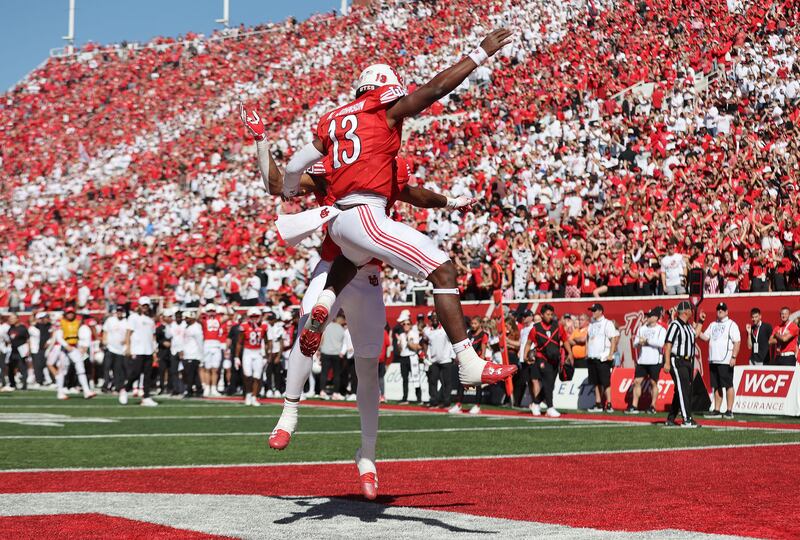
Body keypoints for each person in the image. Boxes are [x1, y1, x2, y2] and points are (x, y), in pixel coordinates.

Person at [240, 110, 474, 501]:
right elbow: (279, 184)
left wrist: (450, 201)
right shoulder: (334, 170)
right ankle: (289, 411)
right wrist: (262, 140)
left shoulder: (379, 169)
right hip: (332, 262)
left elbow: (412, 193)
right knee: (306, 327)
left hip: (366, 276)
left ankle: (367, 456)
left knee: (368, 366)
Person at [290, 29, 517, 389]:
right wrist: (480, 53)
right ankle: (469, 361)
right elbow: (434, 89)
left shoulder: (339, 131)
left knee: (354, 255)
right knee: (443, 270)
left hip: (339, 223)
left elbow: (299, 175)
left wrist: (273, 163)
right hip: (364, 213)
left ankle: (327, 298)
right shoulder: (382, 120)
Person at [663, 301, 703, 428]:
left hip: (688, 361)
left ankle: (671, 418)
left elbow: (695, 334)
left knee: (682, 389)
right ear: (686, 311)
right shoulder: (675, 325)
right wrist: (667, 362)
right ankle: (687, 419)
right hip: (677, 360)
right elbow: (668, 344)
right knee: (683, 388)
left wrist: (701, 322)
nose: (692, 312)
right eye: (690, 309)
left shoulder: (688, 326)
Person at [527, 304, 572, 417]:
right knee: (547, 381)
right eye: (548, 314)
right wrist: (525, 356)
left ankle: (536, 403)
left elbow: (565, 340)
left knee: (550, 384)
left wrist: (570, 353)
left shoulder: (558, 326)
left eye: (552, 314)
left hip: (555, 359)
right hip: (541, 358)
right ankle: (550, 408)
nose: (550, 316)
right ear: (542, 315)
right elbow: (528, 343)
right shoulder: (535, 328)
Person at [698, 302, 741, 418]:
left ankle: (729, 410)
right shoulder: (712, 324)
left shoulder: (732, 324)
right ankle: (717, 410)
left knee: (728, 385)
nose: (720, 311)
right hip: (713, 359)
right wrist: (698, 323)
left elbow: (737, 341)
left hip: (725, 360)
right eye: (718, 309)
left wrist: (734, 357)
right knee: (716, 386)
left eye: (722, 309)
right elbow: (704, 337)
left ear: (727, 311)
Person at [46, 307, 96, 400]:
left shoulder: (78, 322)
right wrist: (66, 346)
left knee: (80, 368)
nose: (70, 314)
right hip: (64, 348)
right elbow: (58, 336)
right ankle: (60, 392)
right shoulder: (61, 322)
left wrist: (81, 346)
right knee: (62, 370)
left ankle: (86, 391)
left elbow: (80, 334)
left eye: (72, 313)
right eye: (68, 313)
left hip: (74, 347)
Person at [628, 309, 666, 414]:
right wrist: (639, 343)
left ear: (656, 318)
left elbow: (661, 343)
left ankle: (653, 405)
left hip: (655, 360)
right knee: (636, 382)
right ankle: (634, 406)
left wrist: (647, 341)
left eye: (650, 316)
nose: (647, 318)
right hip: (642, 360)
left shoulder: (661, 330)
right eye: (647, 316)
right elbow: (635, 343)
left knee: (653, 383)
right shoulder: (641, 329)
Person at [123, 296, 158, 407]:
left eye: (146, 305)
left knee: (147, 374)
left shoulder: (150, 320)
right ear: (139, 306)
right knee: (136, 373)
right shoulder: (133, 318)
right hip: (137, 349)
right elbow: (129, 332)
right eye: (143, 305)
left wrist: (154, 351)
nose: (145, 307)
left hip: (148, 350)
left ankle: (146, 397)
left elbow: (152, 336)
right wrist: (128, 347)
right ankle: (125, 389)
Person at [586, 303, 620, 412]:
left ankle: (609, 403)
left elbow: (613, 338)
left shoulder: (607, 323)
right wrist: (587, 352)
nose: (593, 312)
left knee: (605, 382)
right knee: (595, 382)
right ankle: (598, 403)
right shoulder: (591, 324)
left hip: (603, 357)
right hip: (592, 356)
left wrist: (610, 354)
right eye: (592, 310)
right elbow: (588, 338)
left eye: (595, 310)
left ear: (600, 311)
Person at [237, 307, 267, 406]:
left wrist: (265, 355)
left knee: (257, 376)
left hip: (258, 352)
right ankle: (248, 394)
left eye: (256, 316)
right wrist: (236, 357)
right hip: (247, 352)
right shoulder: (244, 326)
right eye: (252, 316)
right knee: (248, 375)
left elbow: (266, 341)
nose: (254, 318)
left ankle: (254, 397)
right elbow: (239, 342)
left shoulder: (264, 326)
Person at [424, 312, 454, 409]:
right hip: (433, 360)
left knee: (447, 382)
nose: (435, 319)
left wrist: (453, 355)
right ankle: (434, 401)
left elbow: (453, 340)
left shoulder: (446, 329)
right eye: (433, 317)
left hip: (446, 359)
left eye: (437, 317)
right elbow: (424, 342)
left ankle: (446, 402)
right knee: (432, 381)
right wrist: (425, 354)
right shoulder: (427, 330)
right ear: (430, 319)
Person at [102, 305, 128, 393]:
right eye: (118, 311)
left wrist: (126, 341)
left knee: (118, 369)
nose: (119, 312)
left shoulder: (126, 322)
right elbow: (105, 331)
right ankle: (106, 385)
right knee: (107, 367)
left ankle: (117, 386)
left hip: (120, 350)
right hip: (110, 347)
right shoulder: (110, 320)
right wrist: (104, 340)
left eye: (121, 311)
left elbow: (128, 334)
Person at [180, 309, 204, 398]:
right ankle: (199, 389)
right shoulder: (188, 327)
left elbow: (200, 342)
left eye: (187, 318)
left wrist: (201, 355)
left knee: (190, 374)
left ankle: (189, 390)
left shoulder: (196, 327)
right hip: (188, 353)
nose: (185, 320)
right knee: (193, 374)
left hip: (193, 354)